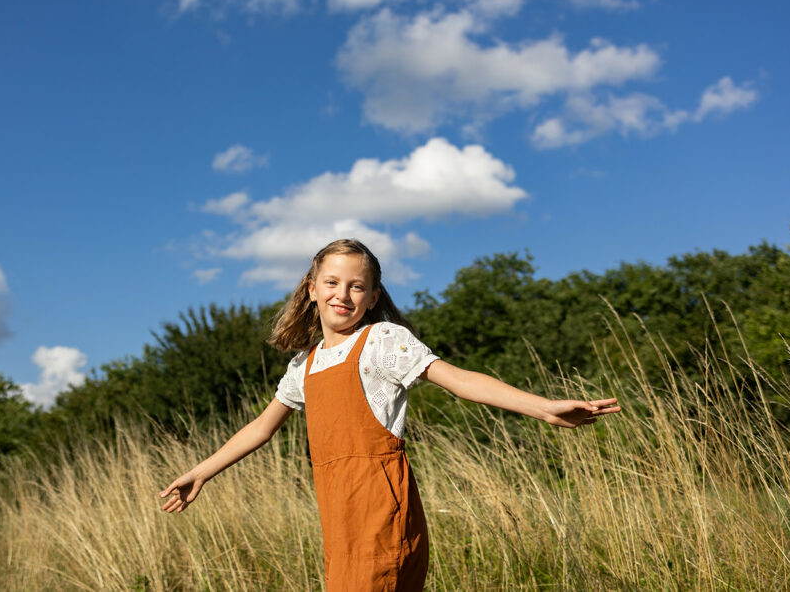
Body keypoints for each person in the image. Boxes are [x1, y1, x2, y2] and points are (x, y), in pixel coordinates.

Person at [160, 239, 621, 591]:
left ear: (374, 294)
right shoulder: (304, 364)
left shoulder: (381, 341)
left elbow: (458, 380)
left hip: (381, 509)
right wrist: (201, 473)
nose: (344, 294)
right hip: (337, 515)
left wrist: (543, 408)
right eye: (333, 283)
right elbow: (262, 427)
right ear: (312, 289)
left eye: (357, 286)